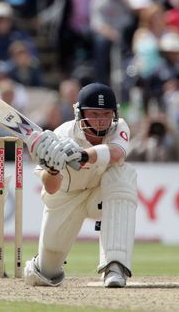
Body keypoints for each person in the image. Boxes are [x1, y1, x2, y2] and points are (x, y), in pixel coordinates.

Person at [24, 83, 138, 288]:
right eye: (94, 113)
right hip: (65, 199)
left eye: (106, 113)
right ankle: (37, 266)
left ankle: (115, 266)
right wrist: (52, 169)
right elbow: (51, 188)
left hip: (99, 194)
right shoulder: (60, 136)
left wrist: (84, 155)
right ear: (80, 113)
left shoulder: (119, 126)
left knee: (124, 175)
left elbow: (117, 153)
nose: (101, 120)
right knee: (45, 275)